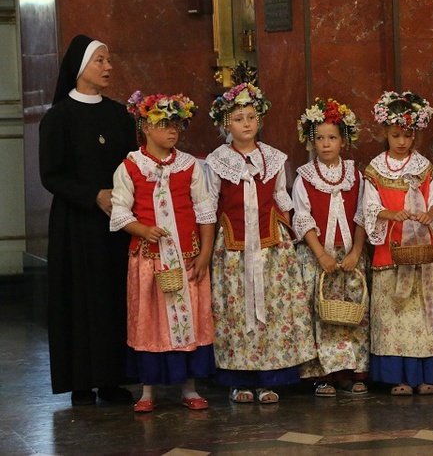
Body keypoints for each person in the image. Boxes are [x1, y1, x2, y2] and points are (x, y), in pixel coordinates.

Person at [39, 35, 137, 406]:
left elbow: (132, 164)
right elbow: (51, 174)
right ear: (80, 68)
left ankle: (113, 378)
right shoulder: (58, 117)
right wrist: (93, 195)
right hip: (75, 225)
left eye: (108, 60)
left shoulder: (118, 116)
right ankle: (80, 380)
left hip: (116, 223)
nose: (108, 67)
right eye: (100, 61)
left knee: (113, 296)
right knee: (79, 299)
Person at [205, 83, 315, 404]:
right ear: (226, 123)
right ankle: (238, 380)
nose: (247, 123)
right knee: (236, 311)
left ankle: (270, 378)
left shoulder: (274, 158)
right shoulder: (217, 162)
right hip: (233, 249)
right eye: (238, 118)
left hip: (271, 248)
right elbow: (209, 206)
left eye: (252, 117)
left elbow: (282, 197)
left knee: (273, 309)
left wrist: (296, 232)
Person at [110, 91, 216, 412]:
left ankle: (189, 387)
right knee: (150, 321)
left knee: (190, 320)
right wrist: (142, 230)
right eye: (165, 124)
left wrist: (206, 253)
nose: (173, 131)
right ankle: (147, 390)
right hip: (149, 261)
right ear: (145, 126)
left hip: (186, 258)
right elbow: (120, 211)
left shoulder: (189, 166)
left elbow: (205, 210)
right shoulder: (130, 167)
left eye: (178, 125)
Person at [363, 91, 433, 396]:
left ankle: (428, 375)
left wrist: (430, 213)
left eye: (407, 135)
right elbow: (370, 208)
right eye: (395, 134)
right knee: (395, 317)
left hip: (424, 253)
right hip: (392, 251)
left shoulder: (425, 167)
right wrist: (392, 214)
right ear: (385, 133)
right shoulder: (375, 169)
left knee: (426, 316)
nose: (401, 141)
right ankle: (398, 377)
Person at [292, 98, 370, 397]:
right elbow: (303, 217)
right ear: (311, 141)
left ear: (343, 140)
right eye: (320, 138)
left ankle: (350, 371)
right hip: (319, 257)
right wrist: (321, 254)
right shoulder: (305, 178)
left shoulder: (356, 176)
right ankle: (322, 373)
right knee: (321, 312)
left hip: (349, 254)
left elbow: (362, 216)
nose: (326, 144)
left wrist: (355, 253)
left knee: (352, 311)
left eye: (332, 138)